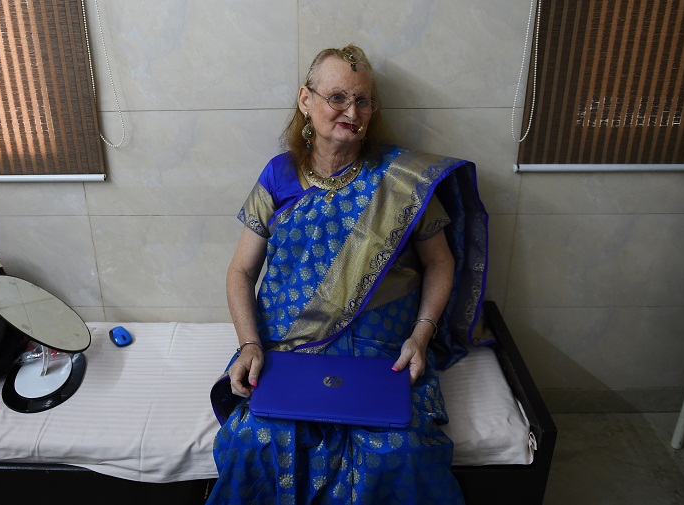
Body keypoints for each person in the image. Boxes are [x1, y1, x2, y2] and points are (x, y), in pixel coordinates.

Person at [208, 44, 489, 504]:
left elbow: (440, 262)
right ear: (306, 100)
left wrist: (421, 336)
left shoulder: (401, 181)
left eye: (363, 100)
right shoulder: (278, 176)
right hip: (289, 346)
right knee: (255, 442)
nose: (352, 111)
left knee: (402, 449)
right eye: (337, 97)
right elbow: (240, 271)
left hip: (381, 350)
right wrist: (249, 344)